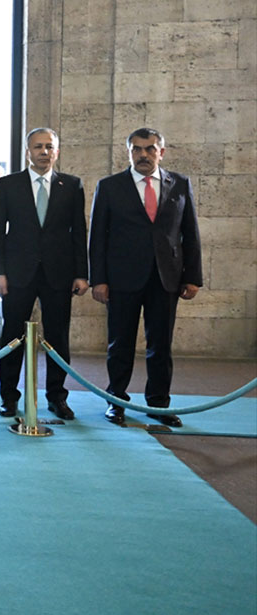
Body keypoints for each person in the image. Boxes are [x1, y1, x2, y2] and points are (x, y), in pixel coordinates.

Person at [89, 127, 202, 427]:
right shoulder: (110, 186)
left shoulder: (179, 184)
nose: (143, 154)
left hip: (166, 278)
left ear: (161, 152)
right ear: (128, 152)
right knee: (120, 344)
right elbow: (97, 237)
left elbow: (189, 233)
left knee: (161, 345)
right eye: (136, 149)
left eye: (150, 148)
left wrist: (193, 277)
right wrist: (98, 279)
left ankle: (159, 405)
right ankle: (116, 402)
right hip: (122, 278)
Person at [0, 127, 88, 420]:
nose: (44, 152)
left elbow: (79, 233)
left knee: (58, 338)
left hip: (59, 274)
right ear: (27, 151)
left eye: (49, 147)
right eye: (38, 147)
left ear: (57, 151)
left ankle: (57, 398)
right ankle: (8, 397)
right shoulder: (9, 184)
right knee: (12, 336)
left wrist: (81, 273)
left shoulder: (71, 185)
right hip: (17, 273)